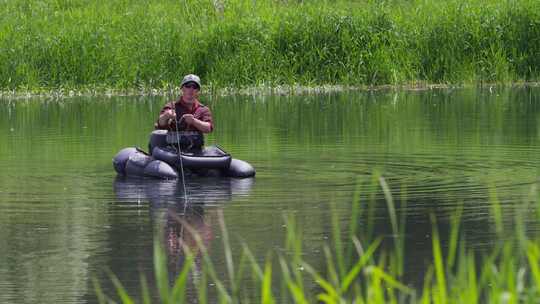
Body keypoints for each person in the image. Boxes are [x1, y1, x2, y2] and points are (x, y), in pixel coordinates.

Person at [155, 74, 213, 151]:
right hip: (173, 150)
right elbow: (160, 124)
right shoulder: (171, 106)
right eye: (188, 86)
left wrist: (194, 121)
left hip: (196, 150)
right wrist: (166, 115)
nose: (191, 89)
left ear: (198, 91)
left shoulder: (203, 109)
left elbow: (208, 128)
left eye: (194, 87)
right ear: (182, 88)